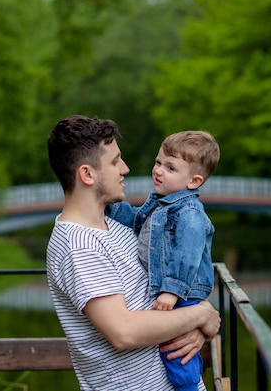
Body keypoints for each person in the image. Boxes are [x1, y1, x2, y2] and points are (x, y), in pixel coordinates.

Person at [46, 115, 220, 391]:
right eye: (115, 161)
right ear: (87, 174)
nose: (125, 169)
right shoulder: (78, 245)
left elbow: (161, 300)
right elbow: (124, 332)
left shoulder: (118, 226)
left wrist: (193, 328)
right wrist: (202, 316)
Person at [105, 130, 220, 391]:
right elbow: (135, 220)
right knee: (176, 350)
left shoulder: (189, 213)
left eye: (170, 167)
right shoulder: (159, 205)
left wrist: (171, 290)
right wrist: (110, 205)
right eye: (158, 162)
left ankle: (190, 388)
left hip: (183, 291)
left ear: (194, 181)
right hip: (172, 291)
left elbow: (187, 255)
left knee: (177, 353)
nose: (158, 170)